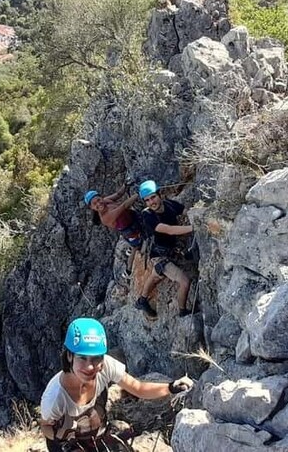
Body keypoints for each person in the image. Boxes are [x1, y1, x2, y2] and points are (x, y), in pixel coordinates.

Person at [40, 318, 194, 451]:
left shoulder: (106, 366)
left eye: (96, 358)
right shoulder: (55, 397)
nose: (90, 367)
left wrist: (171, 387)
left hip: (97, 435)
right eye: (82, 358)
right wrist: (64, 435)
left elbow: (138, 388)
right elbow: (46, 427)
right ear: (69, 355)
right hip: (67, 445)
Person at [135, 180, 195, 319]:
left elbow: (186, 211)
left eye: (153, 197)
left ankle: (142, 300)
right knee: (185, 281)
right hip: (158, 254)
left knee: (156, 276)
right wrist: (194, 227)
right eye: (147, 200)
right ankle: (182, 311)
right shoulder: (147, 215)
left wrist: (197, 214)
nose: (151, 202)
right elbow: (169, 230)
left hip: (170, 250)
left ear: (159, 194)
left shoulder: (170, 204)